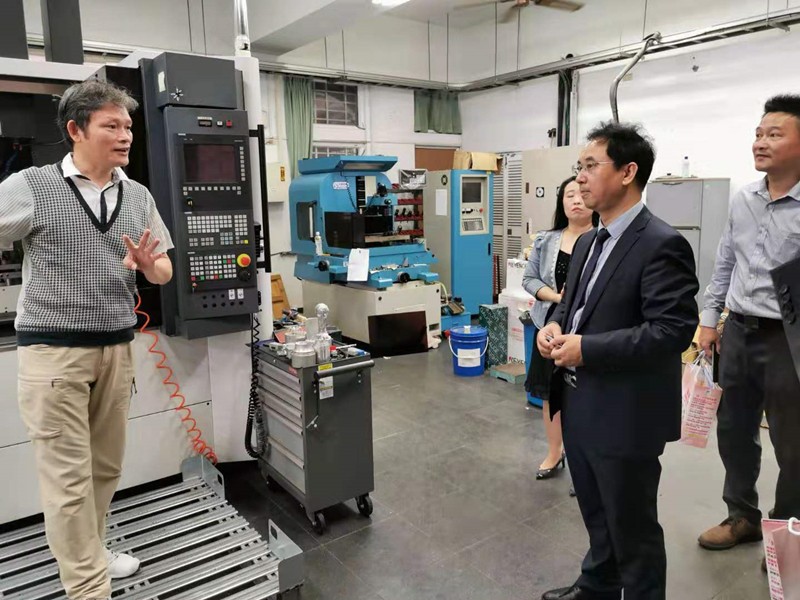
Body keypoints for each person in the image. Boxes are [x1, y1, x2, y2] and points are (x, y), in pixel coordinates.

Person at [0, 80, 174, 600]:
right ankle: (87, 589)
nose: (125, 136)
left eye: (128, 126)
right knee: (68, 482)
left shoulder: (137, 195)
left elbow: (164, 269)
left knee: (104, 469)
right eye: (111, 126)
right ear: (76, 130)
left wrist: (150, 265)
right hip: (54, 354)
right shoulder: (32, 186)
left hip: (116, 349)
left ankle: (92, 549)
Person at [537, 122, 699, 600]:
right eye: (579, 167)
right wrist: (554, 327)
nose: (580, 178)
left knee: (633, 526)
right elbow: (573, 307)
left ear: (628, 172)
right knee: (596, 511)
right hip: (580, 401)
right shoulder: (590, 240)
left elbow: (671, 331)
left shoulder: (661, 243)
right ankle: (599, 585)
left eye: (591, 166)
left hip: (627, 412)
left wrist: (586, 349)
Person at [697, 95, 800, 566]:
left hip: (788, 339)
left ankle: (788, 531)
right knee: (734, 430)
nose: (761, 142)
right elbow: (725, 263)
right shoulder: (744, 198)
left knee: (792, 444)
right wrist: (708, 320)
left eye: (774, 134)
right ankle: (742, 517)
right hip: (738, 330)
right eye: (759, 133)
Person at [523, 175, 596, 480]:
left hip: (587, 330)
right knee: (550, 394)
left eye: (581, 194)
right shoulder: (547, 240)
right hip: (548, 326)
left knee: (587, 397)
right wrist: (557, 298)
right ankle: (555, 452)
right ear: (561, 202)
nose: (576, 200)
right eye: (569, 195)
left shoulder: (603, 239)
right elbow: (529, 279)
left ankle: (586, 463)